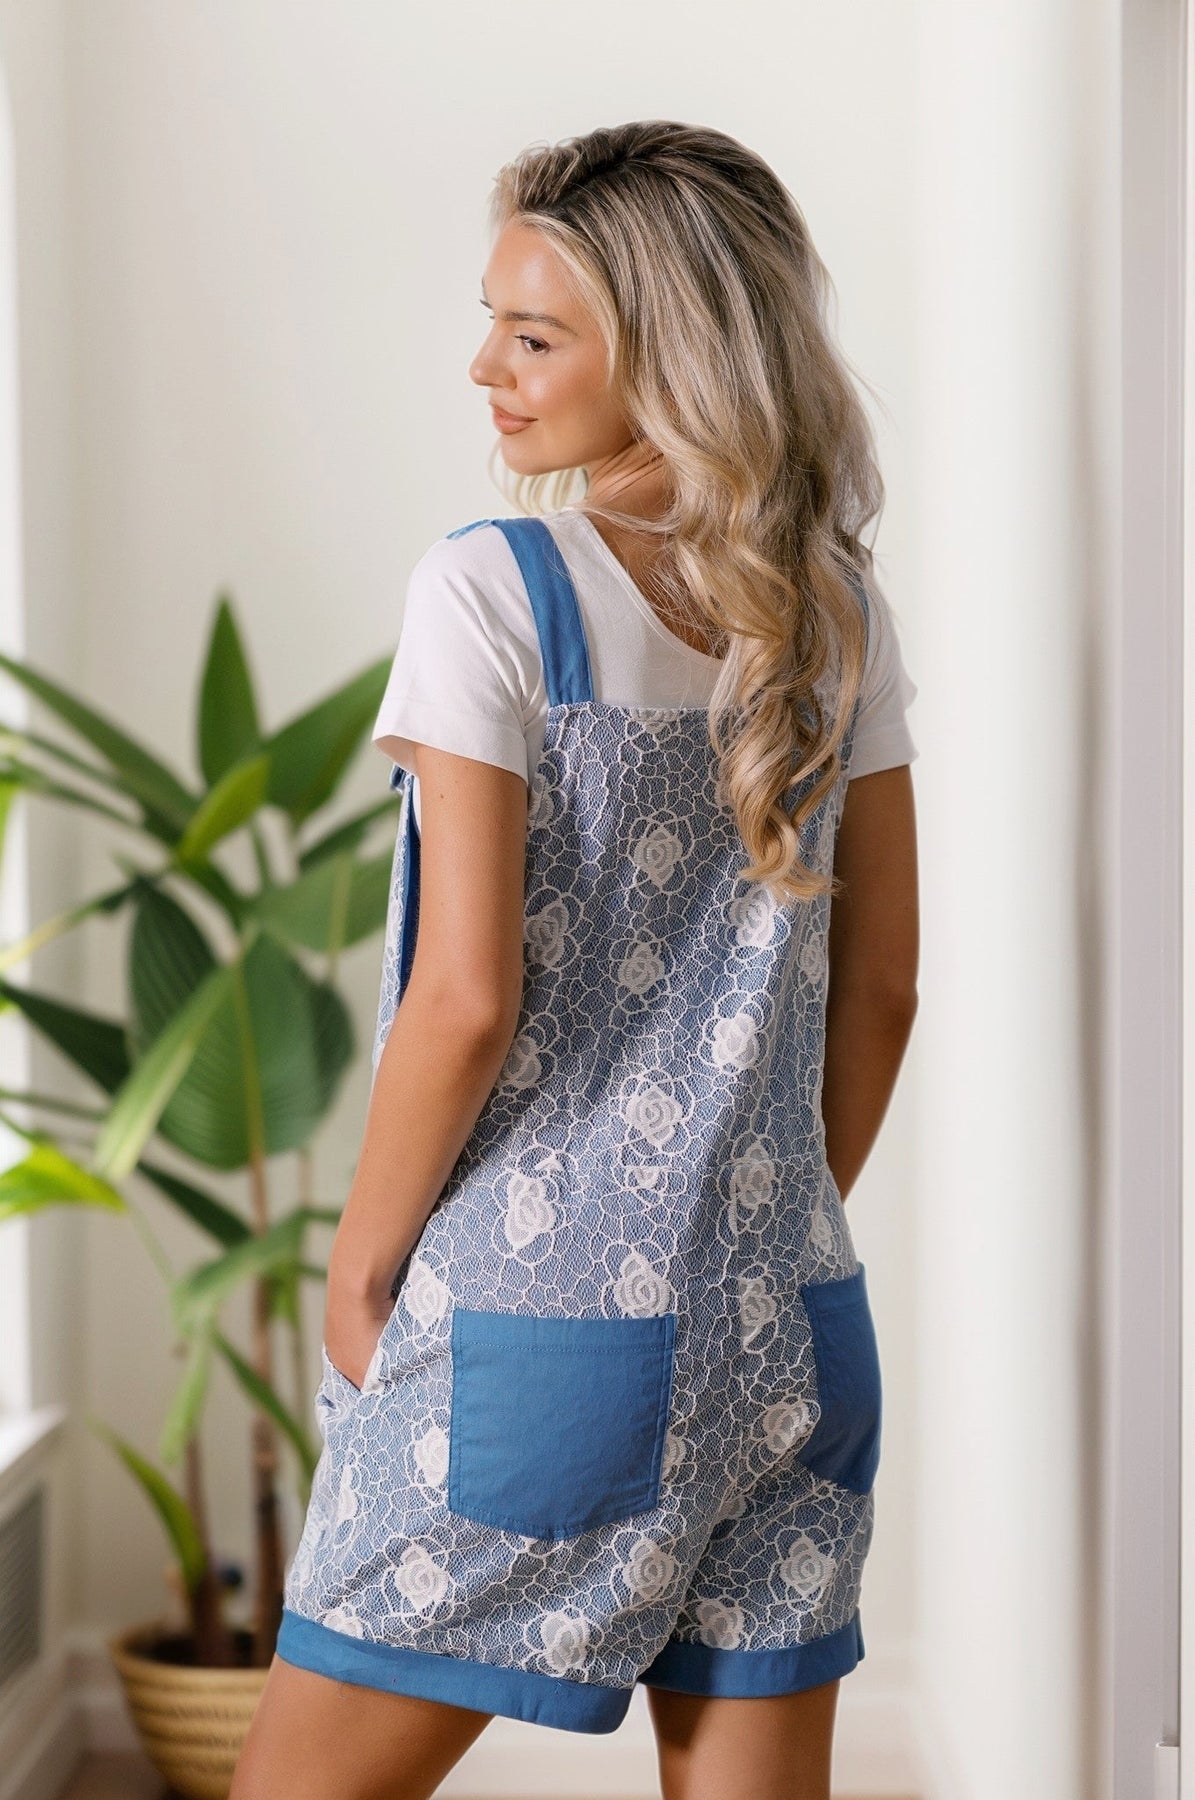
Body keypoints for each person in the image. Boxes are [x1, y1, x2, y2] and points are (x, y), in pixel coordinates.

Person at [232, 119, 919, 1800]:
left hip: (536, 1333)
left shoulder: (493, 589)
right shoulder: (835, 610)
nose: (487, 368)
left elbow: (465, 999)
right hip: (794, 1327)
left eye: (534, 337)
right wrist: (734, 1235)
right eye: (495, 323)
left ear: (669, 356)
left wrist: (358, 1272)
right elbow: (884, 989)